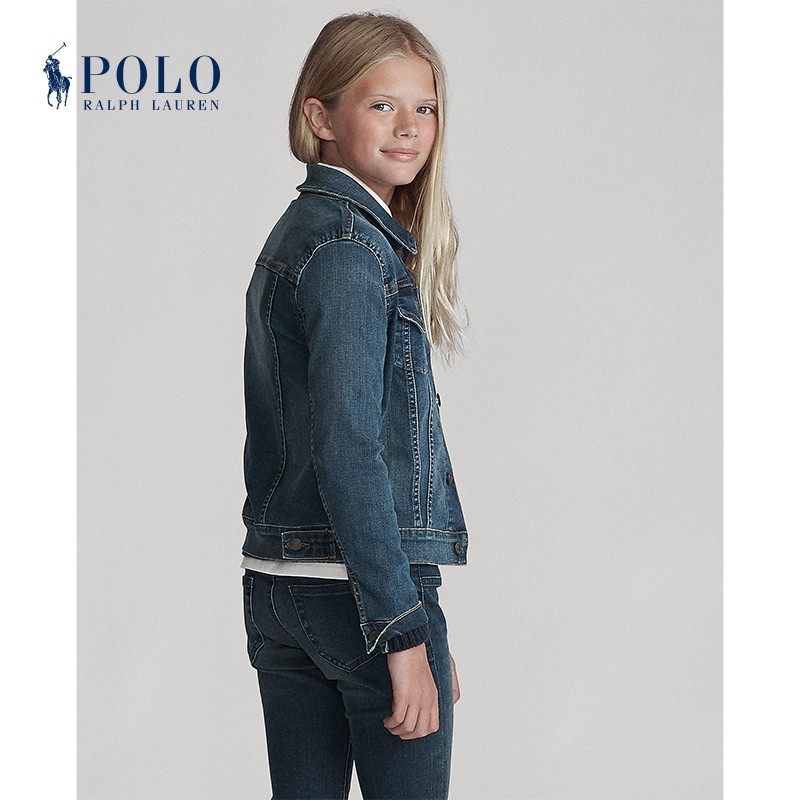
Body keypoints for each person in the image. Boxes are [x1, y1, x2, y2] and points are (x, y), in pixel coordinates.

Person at [239, 11, 470, 799]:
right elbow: (347, 448)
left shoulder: (306, 233)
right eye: (382, 105)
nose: (409, 127)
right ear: (321, 117)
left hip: (284, 587)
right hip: (358, 594)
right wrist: (404, 625)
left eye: (425, 107)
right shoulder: (347, 248)